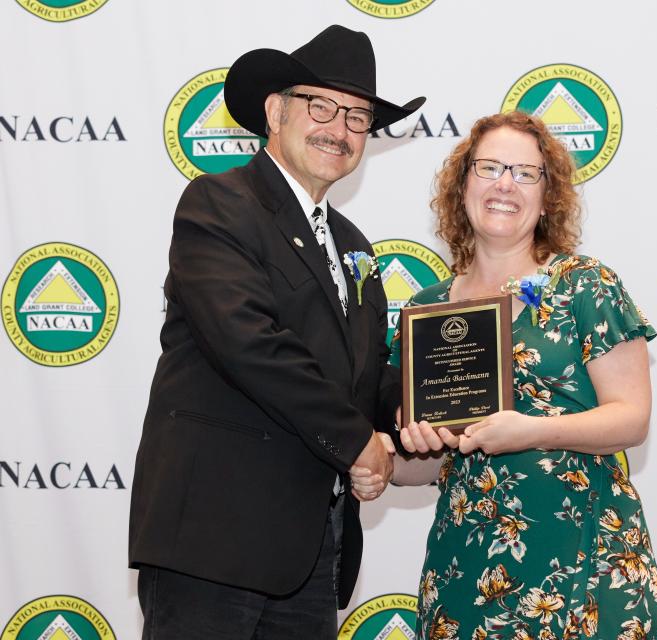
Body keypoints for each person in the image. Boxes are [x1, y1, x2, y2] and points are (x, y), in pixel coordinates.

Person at [129, 25, 424, 639]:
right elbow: (249, 343)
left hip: (312, 552)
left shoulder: (354, 246)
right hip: (213, 544)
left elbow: (366, 380)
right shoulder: (218, 204)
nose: (339, 129)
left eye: (358, 117)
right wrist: (355, 443)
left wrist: (433, 417)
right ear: (275, 111)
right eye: (321, 105)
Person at [365, 111, 657, 640]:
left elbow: (632, 418)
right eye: (489, 168)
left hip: (585, 565)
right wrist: (397, 456)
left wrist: (531, 431)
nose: (506, 183)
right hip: (466, 571)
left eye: (526, 173)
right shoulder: (428, 310)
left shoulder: (584, 285)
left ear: (548, 197)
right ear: (462, 186)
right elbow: (427, 466)